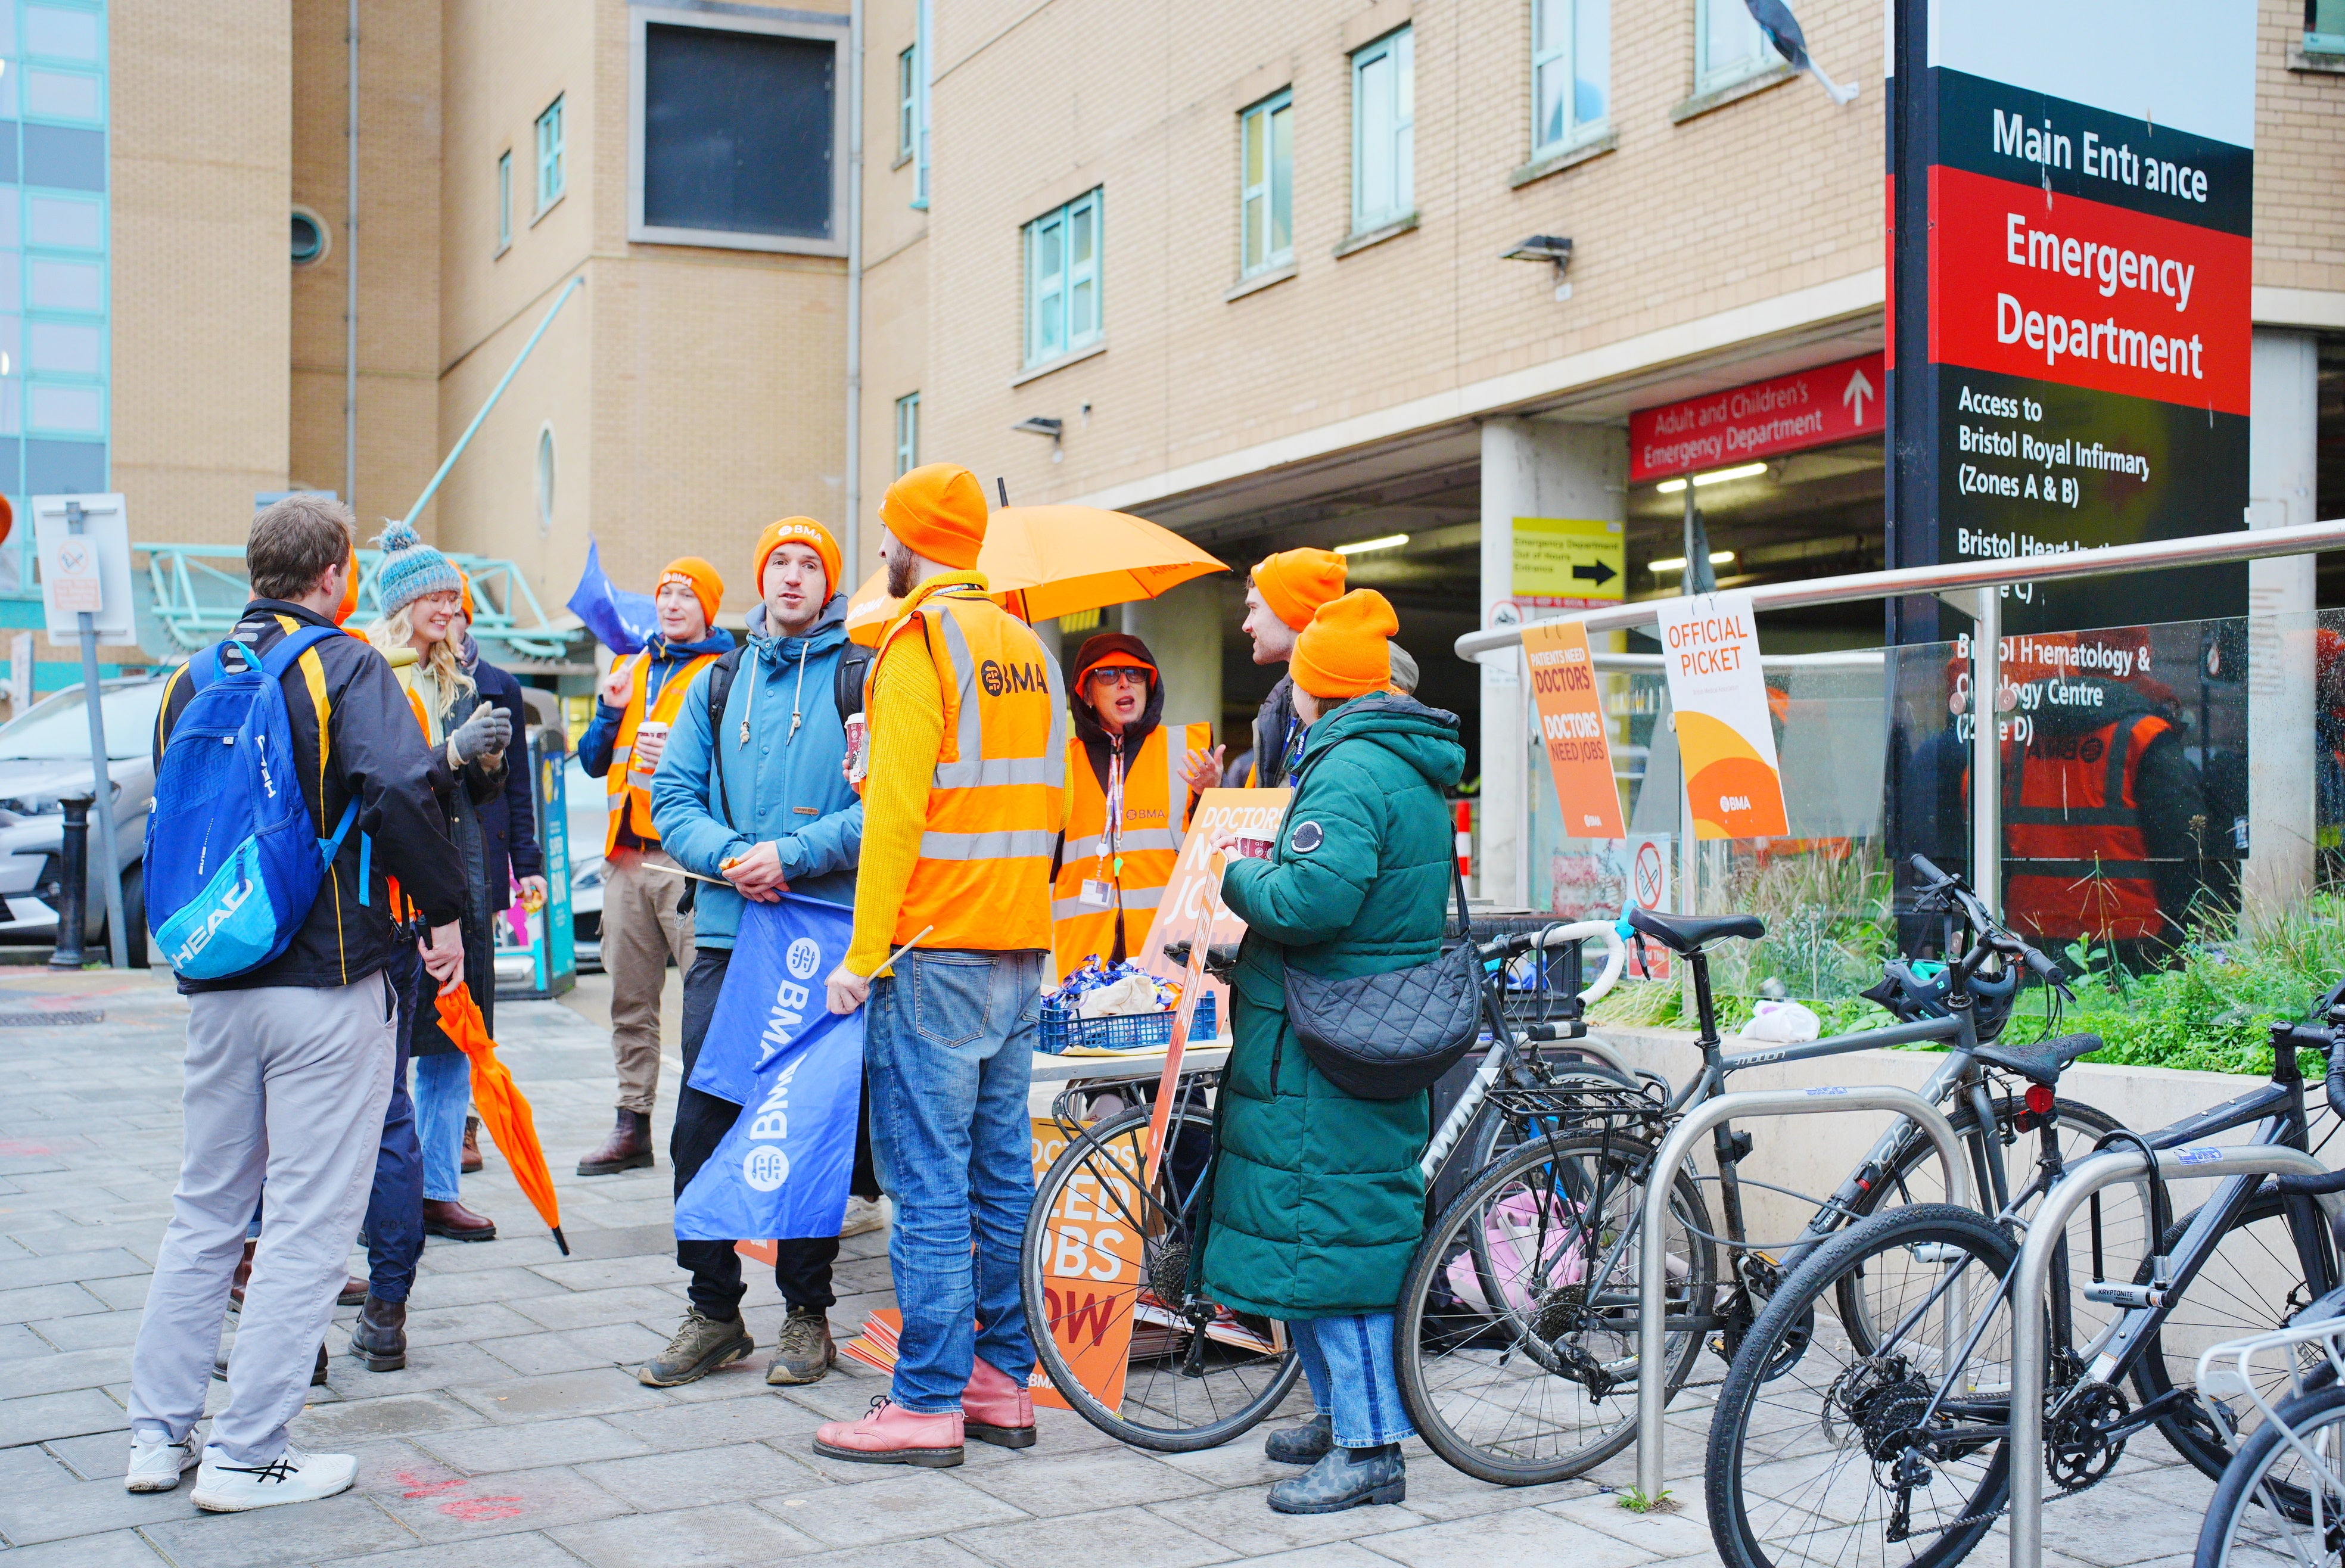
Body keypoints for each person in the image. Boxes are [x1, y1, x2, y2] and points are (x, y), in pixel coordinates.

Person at [127, 494, 466, 1510]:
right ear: (335, 577)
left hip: (219, 978)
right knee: (311, 1223)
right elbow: (402, 791)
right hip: (327, 977)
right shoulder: (347, 662)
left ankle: (158, 1434)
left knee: (206, 1212)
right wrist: (446, 908)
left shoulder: (190, 676)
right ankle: (248, 1450)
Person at [814, 462, 1063, 1466]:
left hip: (932, 956)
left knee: (928, 1188)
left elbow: (895, 821)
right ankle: (1001, 1380)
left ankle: (924, 1400)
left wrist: (861, 955)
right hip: (1017, 942)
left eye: (888, 535)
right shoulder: (1027, 646)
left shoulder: (917, 644)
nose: (882, 550)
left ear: (917, 543)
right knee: (1002, 1179)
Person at [1198, 588, 1466, 1515]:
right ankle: (1345, 1414)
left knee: (1326, 1242)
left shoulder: (1350, 770)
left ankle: (1367, 1447)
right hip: (1354, 1027)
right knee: (1317, 1240)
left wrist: (1235, 872)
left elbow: (1313, 902)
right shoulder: (1400, 762)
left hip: (1325, 1038)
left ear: (1318, 689)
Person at [645, 517, 881, 1389]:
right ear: (760, 578)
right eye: (778, 561)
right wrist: (732, 856)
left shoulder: (863, 679)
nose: (792, 576)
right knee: (702, 1124)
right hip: (729, 935)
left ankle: (807, 1314)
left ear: (830, 583)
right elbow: (672, 797)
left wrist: (797, 854)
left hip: (822, 942)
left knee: (810, 1125)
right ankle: (713, 1310)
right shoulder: (718, 683)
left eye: (809, 563)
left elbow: (887, 806)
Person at [365, 525, 514, 1245]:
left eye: (453, 595)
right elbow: (384, 787)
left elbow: (473, 799)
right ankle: (382, 1200)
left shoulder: (459, 677)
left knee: (455, 1043)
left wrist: (488, 764)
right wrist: (451, 752)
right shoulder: (374, 672)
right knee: (386, 1057)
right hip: (397, 894)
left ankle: (436, 1191)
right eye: (433, 594)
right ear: (402, 602)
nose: (448, 606)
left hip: (460, 886)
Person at [575, 558, 736, 1175]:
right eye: (664, 591)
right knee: (628, 997)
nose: (671, 603)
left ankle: (710, 1128)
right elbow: (593, 760)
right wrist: (608, 716)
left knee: (708, 1000)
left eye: (686, 595)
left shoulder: (725, 673)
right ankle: (631, 1121)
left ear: (709, 608)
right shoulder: (629, 666)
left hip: (688, 864)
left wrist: (683, 754)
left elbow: (739, 768)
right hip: (628, 859)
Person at [1051, 631, 1220, 978]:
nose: (1125, 683)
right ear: (1085, 694)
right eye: (1108, 675)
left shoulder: (1190, 751)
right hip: (1086, 965)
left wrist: (1211, 794)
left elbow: (1218, 854)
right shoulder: (1059, 765)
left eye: (1135, 673)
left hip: (1170, 956)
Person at [453, 574, 550, 1173]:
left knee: (478, 1000)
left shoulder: (499, 686)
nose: (450, 620)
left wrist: (528, 866)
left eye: (458, 609)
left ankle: (467, 1122)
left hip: (482, 866)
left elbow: (517, 786)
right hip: (420, 864)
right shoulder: (399, 676)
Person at [1239, 548, 1346, 789]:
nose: (1246, 625)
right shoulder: (1286, 698)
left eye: (1254, 608)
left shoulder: (1346, 702)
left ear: (1290, 614)